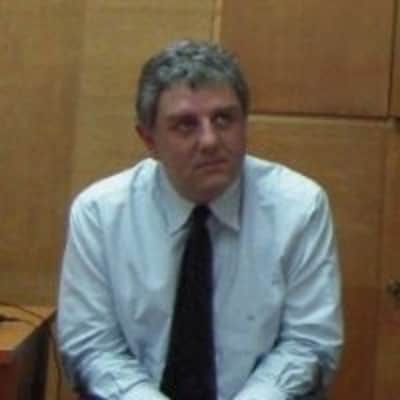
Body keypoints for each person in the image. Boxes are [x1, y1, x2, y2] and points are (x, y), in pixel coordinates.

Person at [57, 39, 343, 400]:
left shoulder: (299, 208)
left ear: (244, 124)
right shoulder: (100, 214)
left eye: (223, 119)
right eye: (185, 125)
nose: (209, 140)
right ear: (149, 139)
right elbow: (92, 346)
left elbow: (309, 342)